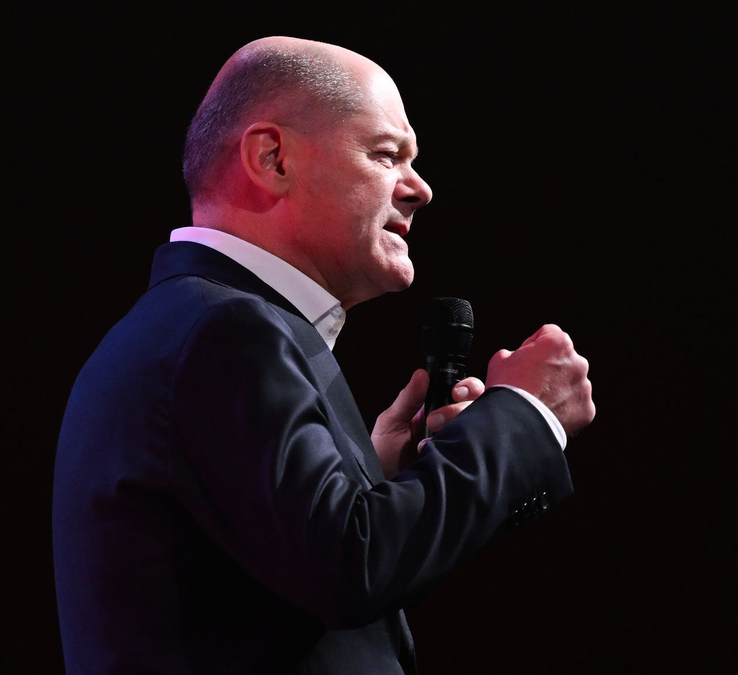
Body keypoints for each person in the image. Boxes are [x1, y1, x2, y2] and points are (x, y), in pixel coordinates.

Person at [52, 36, 595, 674]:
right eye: (386, 154)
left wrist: (373, 479)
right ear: (272, 157)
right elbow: (349, 566)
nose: (420, 189)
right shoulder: (225, 330)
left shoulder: (184, 325)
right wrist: (526, 414)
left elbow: (290, 580)